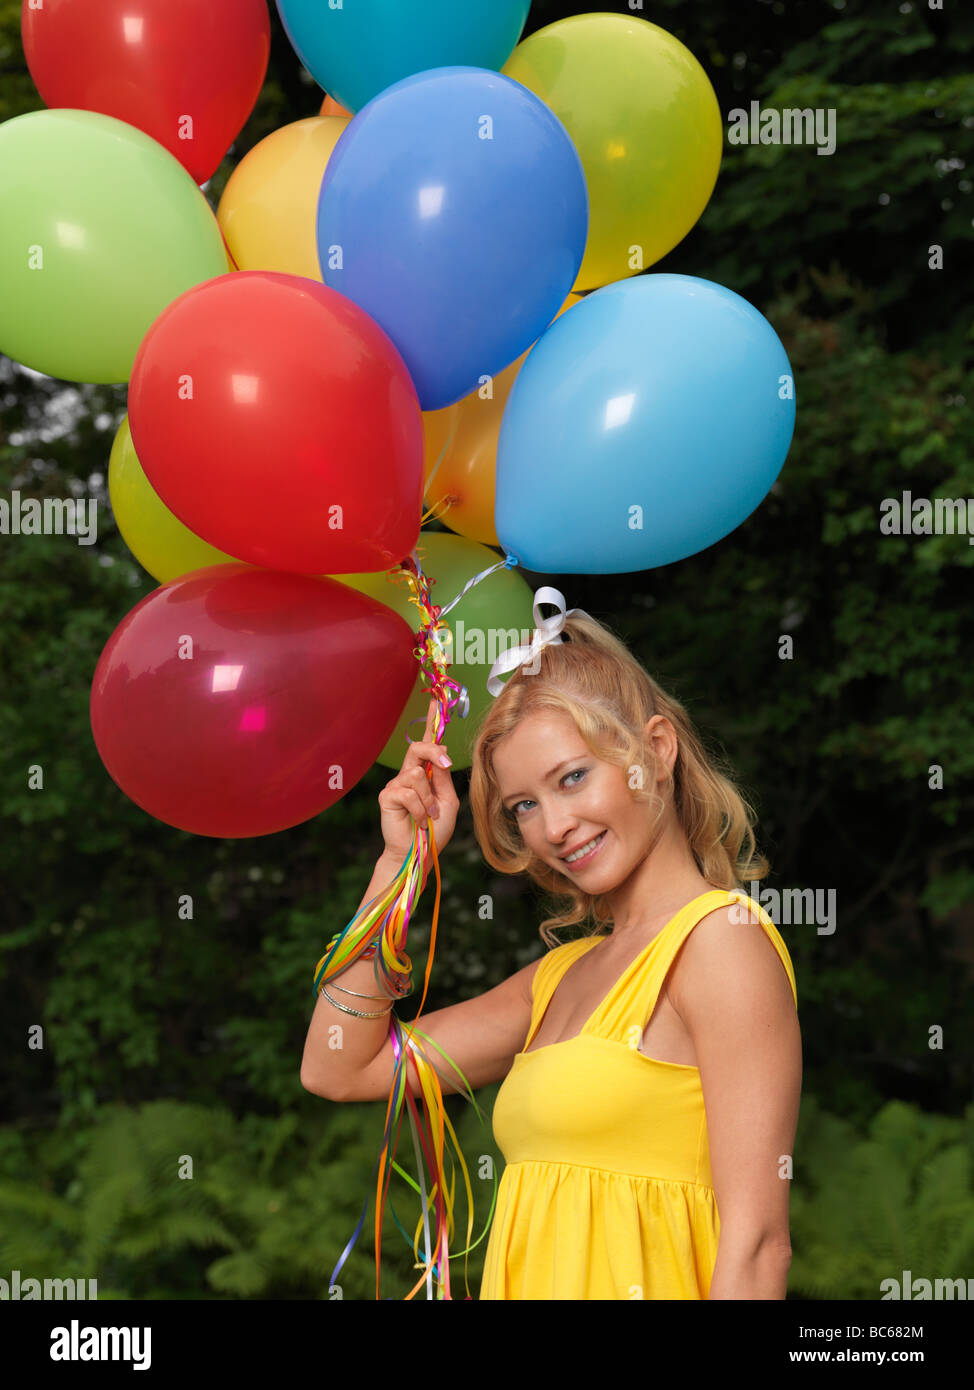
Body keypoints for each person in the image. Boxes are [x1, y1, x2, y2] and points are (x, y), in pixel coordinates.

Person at [300, 589, 801, 1301]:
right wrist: (400, 867)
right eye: (524, 806)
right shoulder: (557, 979)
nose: (555, 826)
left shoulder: (720, 941)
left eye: (573, 778)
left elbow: (756, 1247)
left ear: (656, 752)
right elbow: (338, 1067)